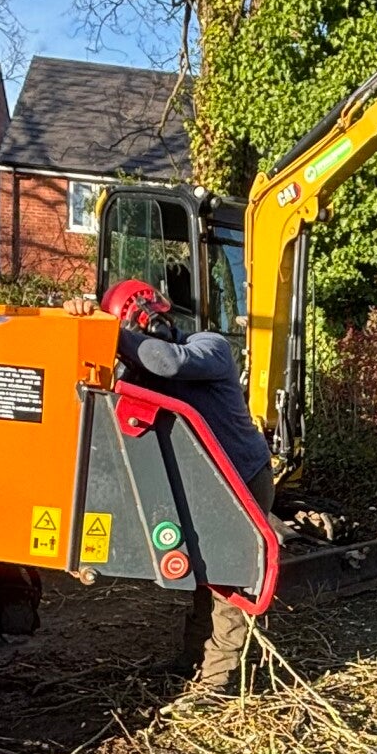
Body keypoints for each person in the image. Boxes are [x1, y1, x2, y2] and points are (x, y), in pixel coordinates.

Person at [100, 277, 274, 695]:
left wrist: (108, 332)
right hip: (205, 484)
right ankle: (193, 660)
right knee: (202, 575)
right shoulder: (141, 372)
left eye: (143, 321)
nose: (148, 328)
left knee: (229, 581)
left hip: (243, 477)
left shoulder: (209, 347)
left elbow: (169, 362)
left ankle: (217, 682)